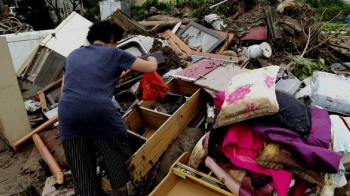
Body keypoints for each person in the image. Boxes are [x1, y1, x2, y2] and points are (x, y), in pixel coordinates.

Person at [58, 20, 158, 195]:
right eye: (117, 41)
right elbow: (150, 68)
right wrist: (151, 58)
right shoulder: (116, 54)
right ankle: (121, 189)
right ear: (112, 38)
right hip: (99, 113)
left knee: (81, 167)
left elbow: (64, 89)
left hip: (67, 114)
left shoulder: (73, 55)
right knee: (117, 158)